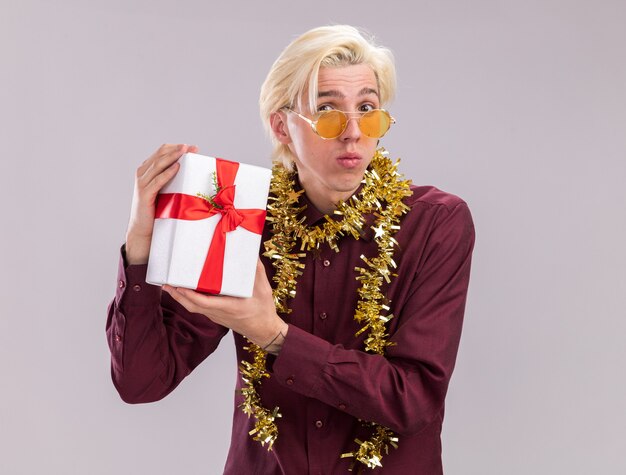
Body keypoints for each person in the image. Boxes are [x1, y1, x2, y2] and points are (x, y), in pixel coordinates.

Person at [107, 25, 475, 474]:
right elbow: (143, 381)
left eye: (367, 109)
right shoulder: (238, 218)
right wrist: (140, 244)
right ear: (281, 125)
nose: (353, 133)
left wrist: (274, 336)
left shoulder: (435, 222)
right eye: (327, 110)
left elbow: (414, 399)